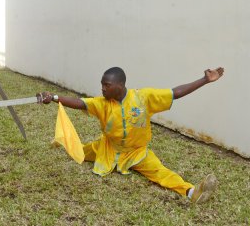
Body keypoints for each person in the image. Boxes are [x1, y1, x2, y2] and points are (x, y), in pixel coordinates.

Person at [41, 66, 224, 204]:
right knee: (79, 152)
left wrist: (204, 80)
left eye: (107, 85)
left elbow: (175, 93)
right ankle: (62, 141)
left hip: (137, 152)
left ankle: (192, 192)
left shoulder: (143, 97)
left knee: (160, 172)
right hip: (107, 149)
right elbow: (80, 103)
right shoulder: (102, 103)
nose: (103, 89)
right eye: (102, 84)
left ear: (120, 86)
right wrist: (55, 98)